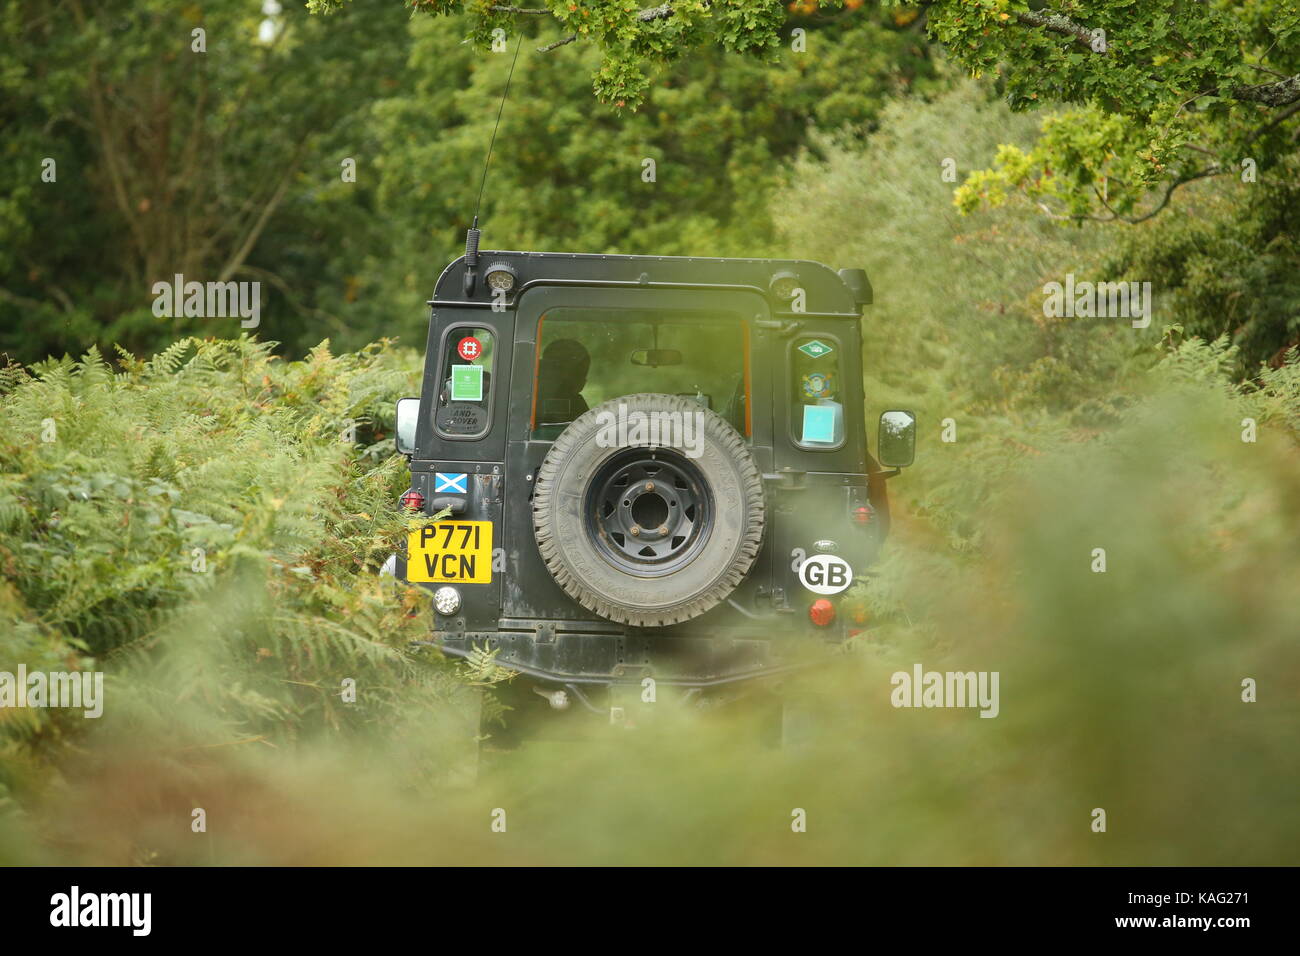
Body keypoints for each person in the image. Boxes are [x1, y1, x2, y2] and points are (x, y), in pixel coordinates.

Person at [536, 338, 591, 424]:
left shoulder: (578, 407)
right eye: (555, 367)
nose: (561, 377)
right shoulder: (526, 400)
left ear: (581, 384)